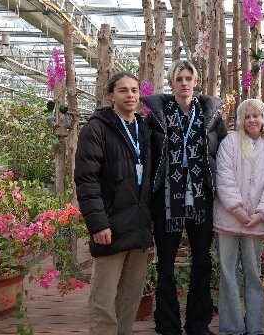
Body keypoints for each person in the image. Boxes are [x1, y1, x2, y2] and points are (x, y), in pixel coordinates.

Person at [141, 59, 227, 335]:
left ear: (196, 82)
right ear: (171, 83)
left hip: (201, 199)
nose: (184, 83)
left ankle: (198, 324)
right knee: (165, 264)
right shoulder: (156, 117)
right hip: (167, 201)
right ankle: (168, 325)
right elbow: (147, 156)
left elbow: (223, 154)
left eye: (189, 78)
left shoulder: (211, 117)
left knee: (202, 261)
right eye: (179, 79)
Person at [75, 72, 153, 335]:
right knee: (104, 299)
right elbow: (86, 180)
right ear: (111, 96)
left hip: (139, 226)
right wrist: (98, 224)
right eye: (123, 90)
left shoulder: (143, 129)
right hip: (111, 226)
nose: (130, 95)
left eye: (134, 90)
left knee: (130, 296)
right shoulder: (96, 129)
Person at [214, 99, 264, 335]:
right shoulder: (230, 142)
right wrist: (237, 210)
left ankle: (255, 327)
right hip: (228, 219)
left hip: (256, 221)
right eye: (247, 116)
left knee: (253, 274)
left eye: (256, 115)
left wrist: (261, 213)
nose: (252, 120)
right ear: (241, 120)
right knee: (228, 273)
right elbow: (224, 178)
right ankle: (232, 327)